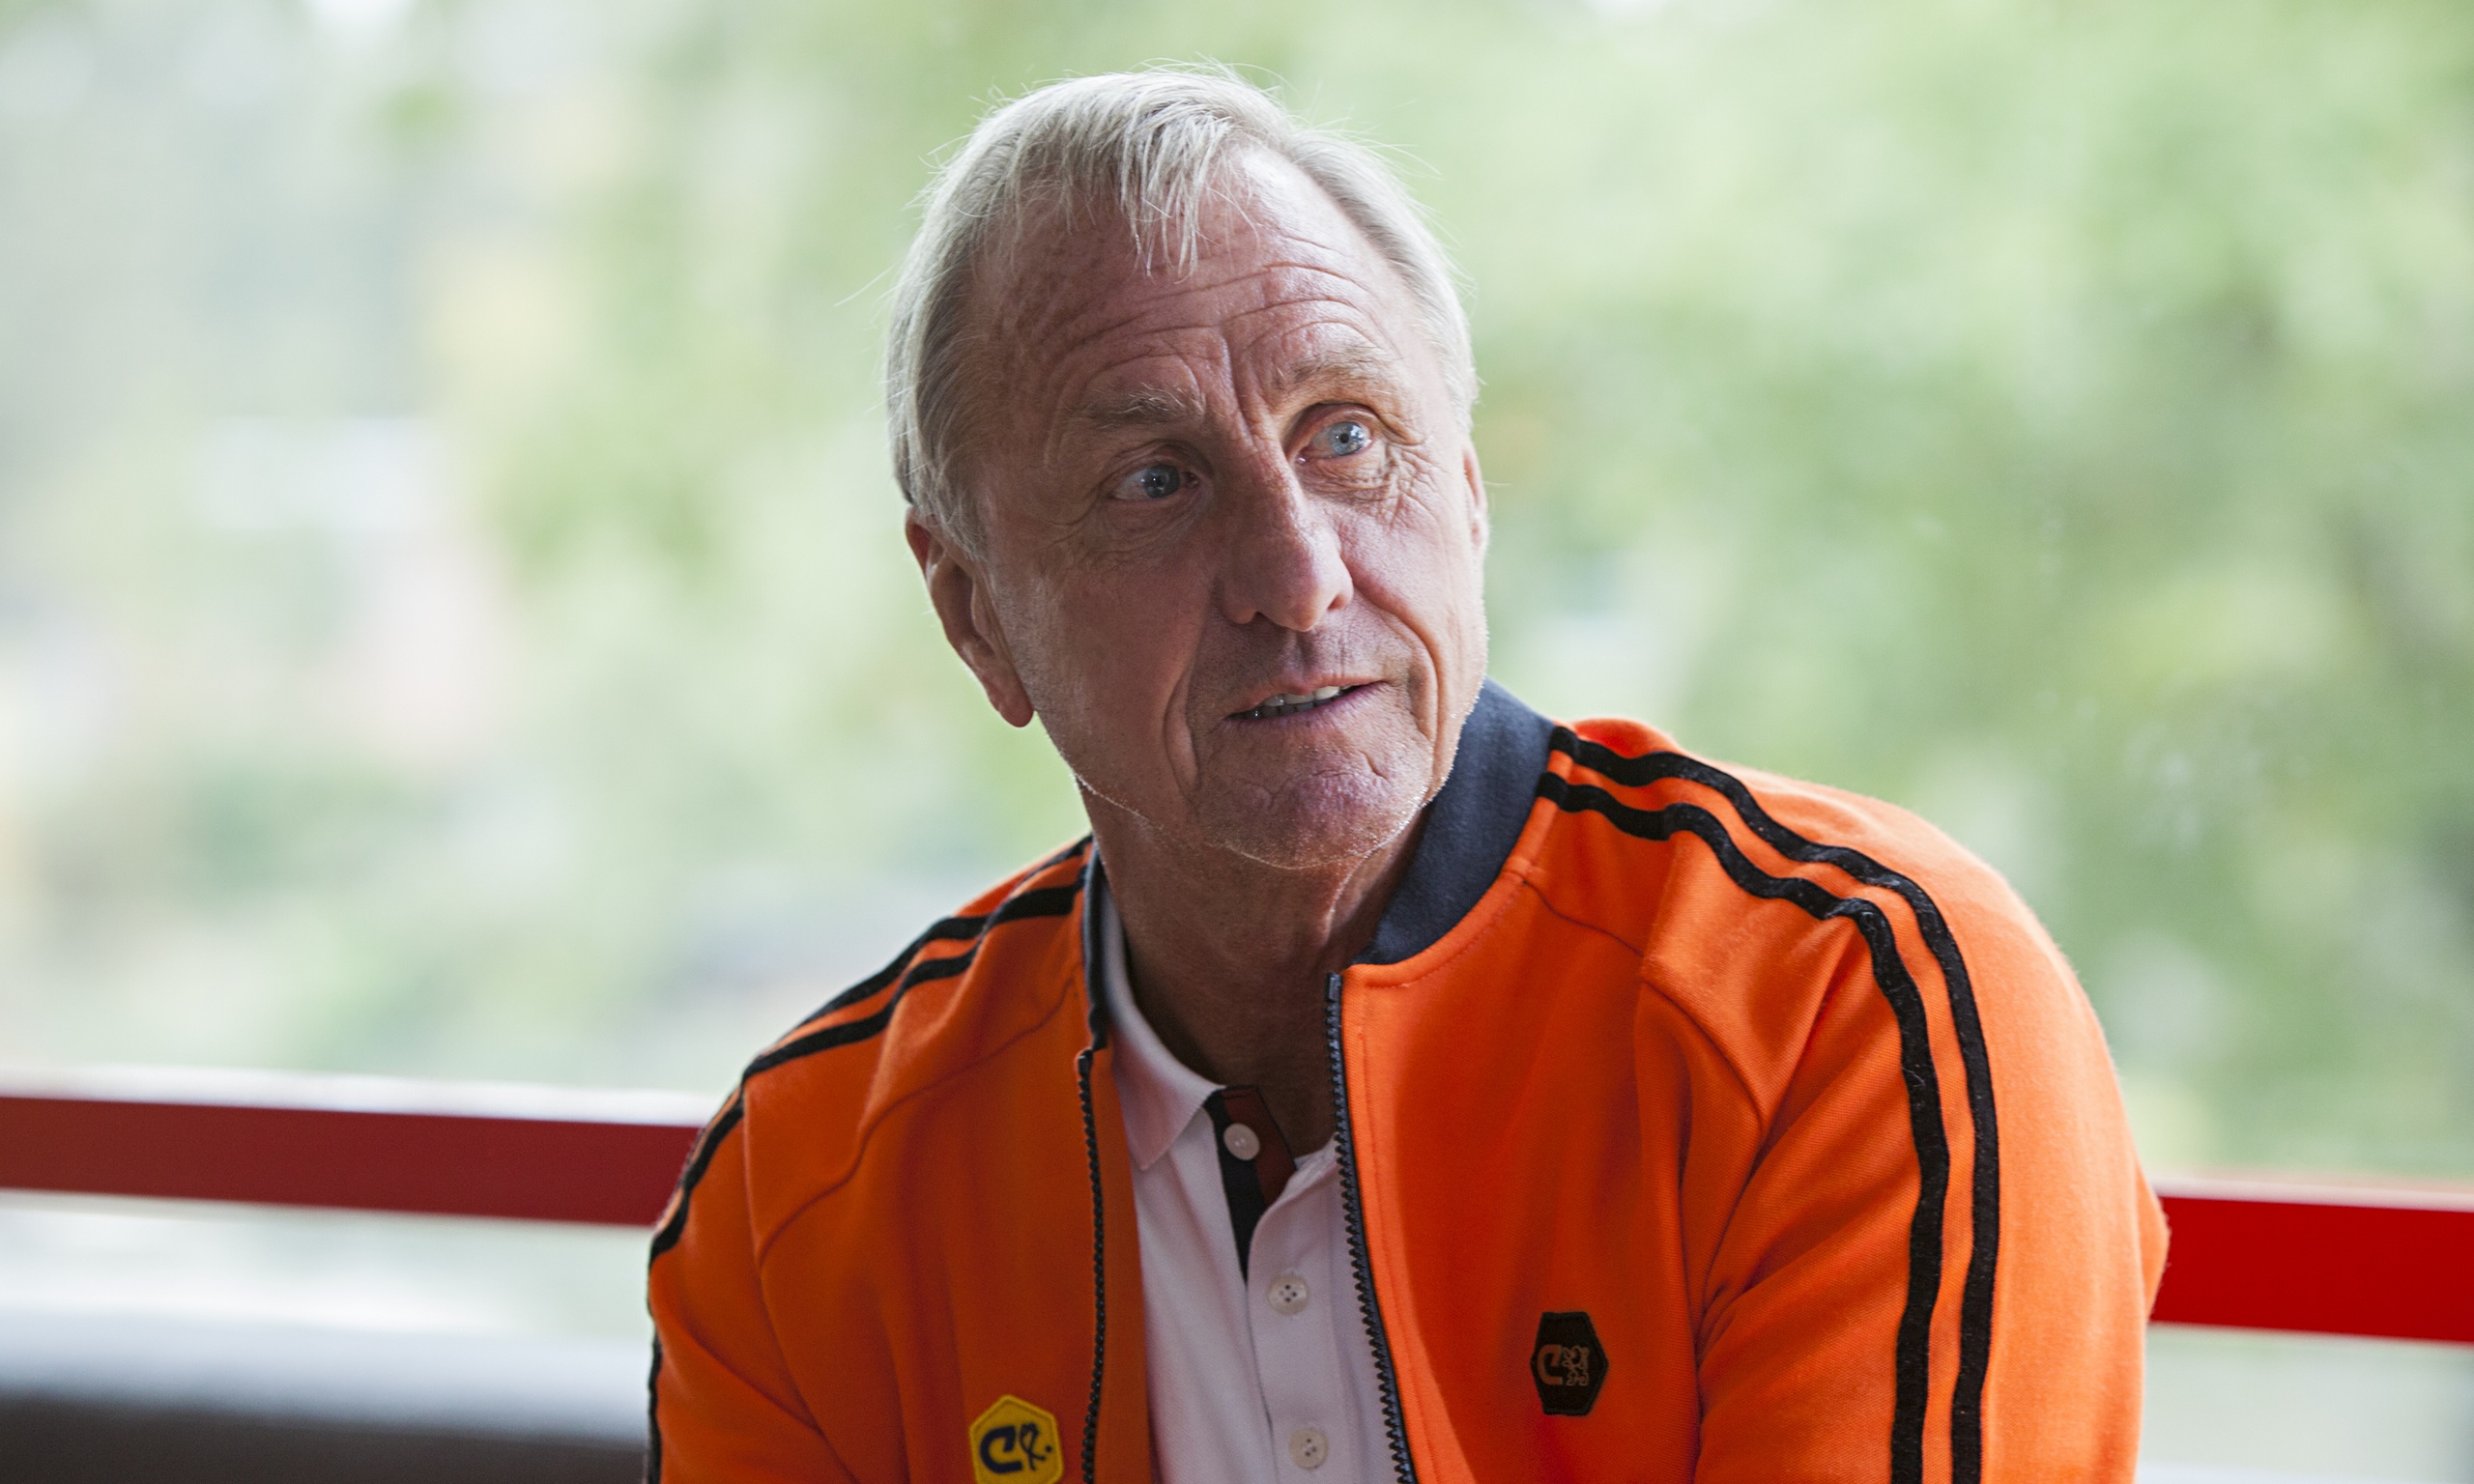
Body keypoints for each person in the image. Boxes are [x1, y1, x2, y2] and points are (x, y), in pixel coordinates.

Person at [647, 67, 2166, 1484]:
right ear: (976, 615)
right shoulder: (804, 1200)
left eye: (1350, 436)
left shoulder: (1851, 1003)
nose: (1297, 578)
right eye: (1154, 481)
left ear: (1473, 491)